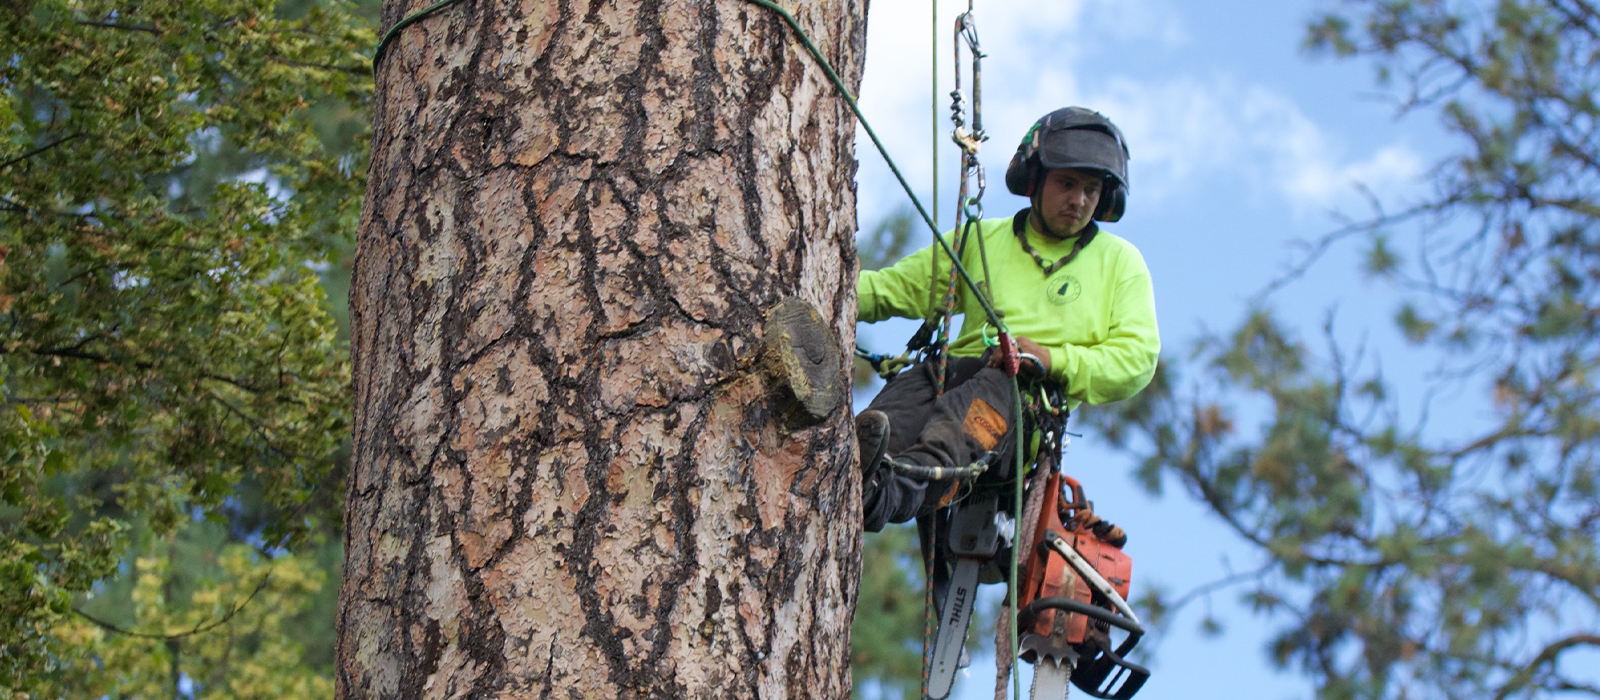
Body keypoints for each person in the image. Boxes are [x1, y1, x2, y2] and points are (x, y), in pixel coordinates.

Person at [856, 107, 1160, 532]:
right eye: (1067, 183)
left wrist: (1050, 359)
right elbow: (894, 289)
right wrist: (823, 288)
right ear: (1035, 180)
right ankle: (850, 474)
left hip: (1023, 405)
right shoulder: (983, 241)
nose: (1079, 200)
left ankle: (887, 491)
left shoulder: (1120, 263)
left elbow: (1136, 359)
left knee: (986, 400)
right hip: (952, 375)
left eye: (1091, 190)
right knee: (890, 414)